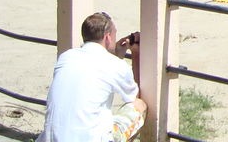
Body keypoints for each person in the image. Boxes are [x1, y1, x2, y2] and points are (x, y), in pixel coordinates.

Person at [37, 12, 147, 142]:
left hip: (50, 139)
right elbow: (134, 97)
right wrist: (135, 53)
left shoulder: (66, 57)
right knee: (140, 106)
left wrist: (116, 55)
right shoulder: (115, 64)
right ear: (108, 37)